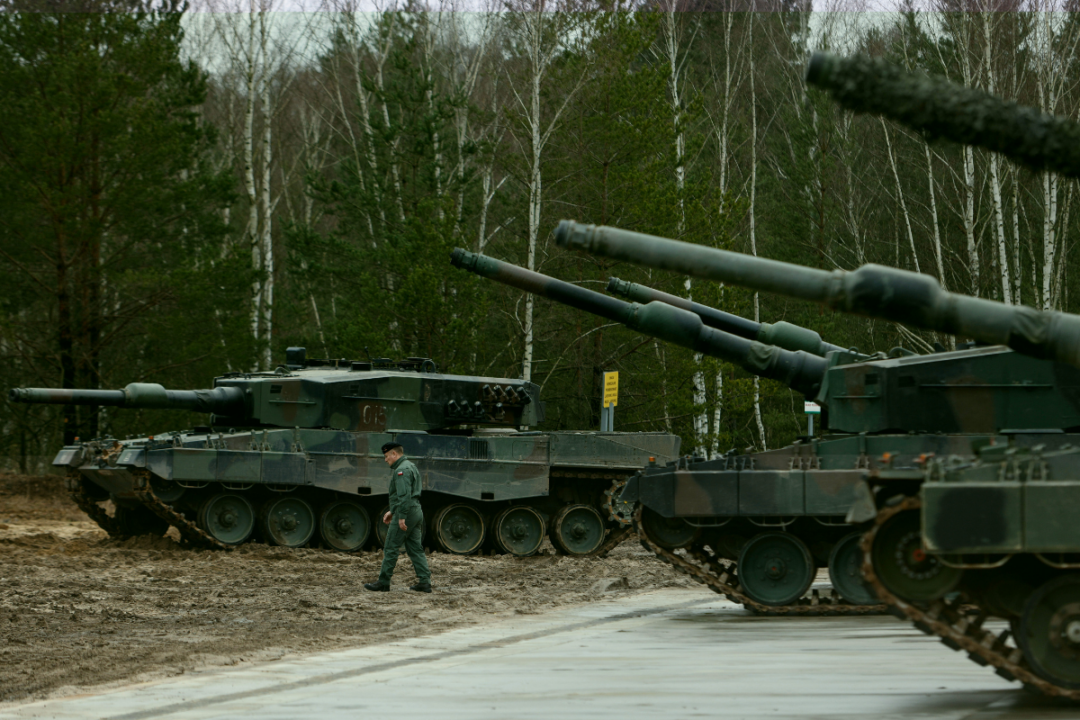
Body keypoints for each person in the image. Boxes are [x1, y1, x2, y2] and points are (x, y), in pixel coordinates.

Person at [364, 442, 432, 593]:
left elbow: (404, 495)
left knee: (391, 547)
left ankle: (383, 582)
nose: (385, 460)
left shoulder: (401, 470)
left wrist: (401, 517)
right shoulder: (410, 466)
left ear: (394, 454)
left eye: (386, 456)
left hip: (407, 512)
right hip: (415, 510)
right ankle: (425, 582)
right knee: (415, 548)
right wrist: (392, 511)